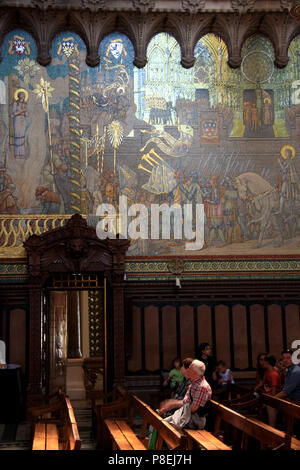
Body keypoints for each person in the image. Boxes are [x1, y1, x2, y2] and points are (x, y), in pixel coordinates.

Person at [158, 358, 212, 430]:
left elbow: (193, 409)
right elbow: (186, 402)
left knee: (166, 427)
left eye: (190, 369)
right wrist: (171, 405)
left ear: (195, 373)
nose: (188, 370)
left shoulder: (201, 387)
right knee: (161, 422)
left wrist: (175, 406)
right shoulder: (194, 383)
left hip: (195, 420)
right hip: (188, 416)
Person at [262, 354, 281, 426]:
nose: (262, 363)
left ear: (267, 362)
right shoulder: (267, 372)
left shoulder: (274, 374)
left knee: (271, 425)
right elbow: (265, 387)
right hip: (266, 400)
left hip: (272, 402)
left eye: (264, 361)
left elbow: (274, 391)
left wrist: (268, 402)